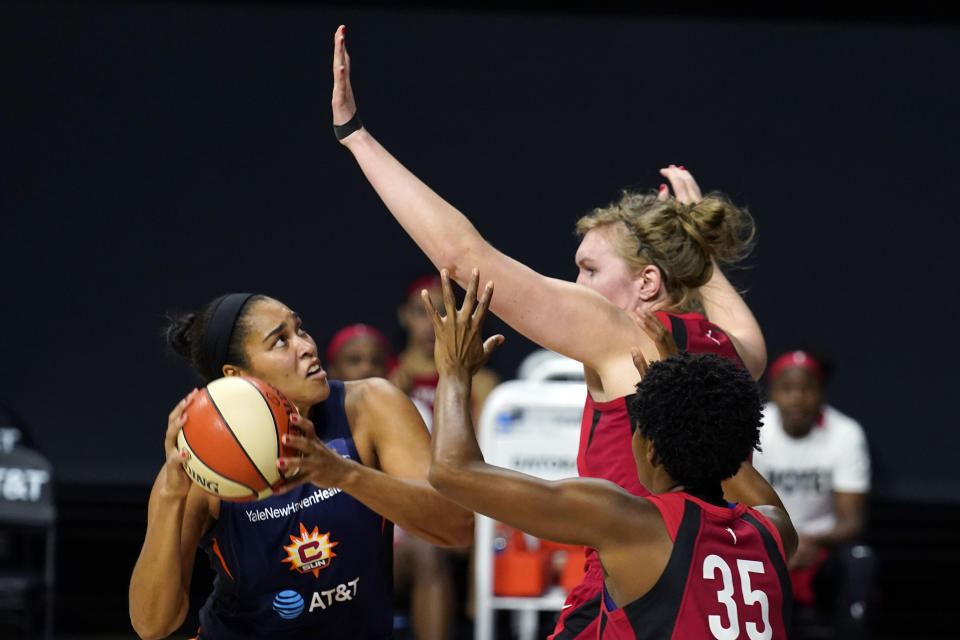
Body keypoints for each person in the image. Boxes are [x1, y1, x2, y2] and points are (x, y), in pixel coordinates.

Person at [329, 25, 782, 639]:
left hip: (627, 598)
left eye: (589, 270)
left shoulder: (619, 332)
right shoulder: (730, 352)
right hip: (707, 591)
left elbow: (465, 259)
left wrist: (356, 137)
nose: (575, 284)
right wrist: (691, 233)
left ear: (647, 283)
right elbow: (728, 310)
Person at [424, 269, 797, 639]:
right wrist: (682, 390)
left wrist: (454, 371)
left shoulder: (632, 522)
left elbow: (450, 471)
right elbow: (724, 447)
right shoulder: (774, 528)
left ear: (650, 449)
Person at [129, 294, 473, 640]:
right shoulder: (200, 464)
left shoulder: (371, 407)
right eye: (280, 341)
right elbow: (153, 625)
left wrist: (346, 475)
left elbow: (457, 528)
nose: (307, 346)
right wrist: (172, 497)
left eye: (300, 329)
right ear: (236, 375)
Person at [325, 321, 457, 640]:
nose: (367, 367)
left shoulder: (413, 413)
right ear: (331, 369)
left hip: (395, 542)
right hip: (326, 541)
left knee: (429, 550)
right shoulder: (312, 417)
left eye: (376, 361)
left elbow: (436, 499)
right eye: (355, 360)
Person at [752, 349, 874, 638]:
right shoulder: (754, 428)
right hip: (767, 546)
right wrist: (781, 545)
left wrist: (812, 543)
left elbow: (851, 522)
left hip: (821, 550)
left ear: (821, 393)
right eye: (787, 389)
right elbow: (742, 504)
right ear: (773, 393)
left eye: (807, 389)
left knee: (859, 560)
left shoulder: (845, 434)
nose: (797, 398)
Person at [390, 273, 500, 427]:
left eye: (443, 312)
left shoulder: (479, 382)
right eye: (422, 312)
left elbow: (485, 447)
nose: (431, 323)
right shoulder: (386, 373)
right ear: (404, 315)